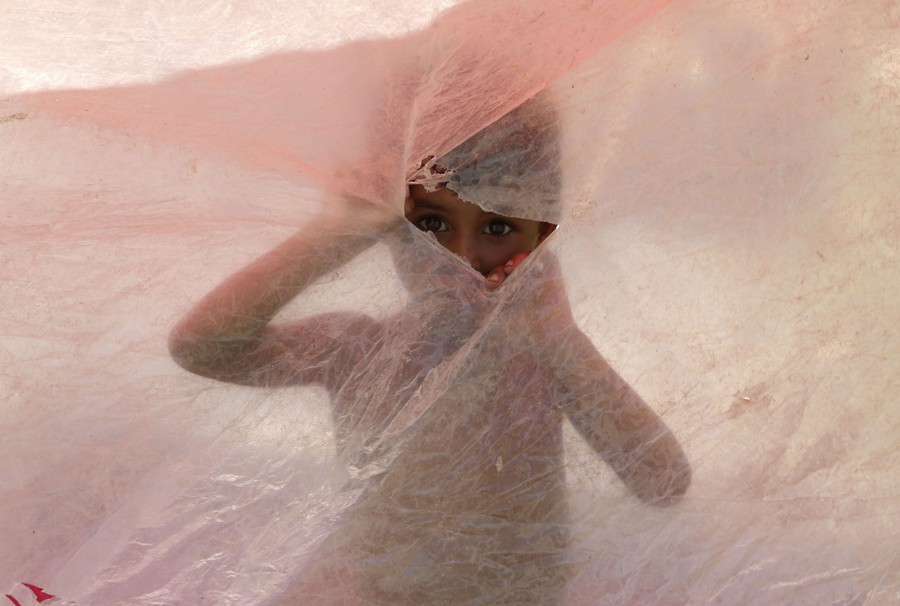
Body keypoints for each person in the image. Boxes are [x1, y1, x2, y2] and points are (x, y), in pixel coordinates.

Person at [169, 101, 691, 605]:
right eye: (433, 224)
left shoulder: (538, 355)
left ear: (541, 236)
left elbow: (663, 481)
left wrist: (558, 337)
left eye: (497, 227)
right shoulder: (356, 347)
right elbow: (200, 349)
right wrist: (331, 234)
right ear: (387, 233)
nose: (461, 256)